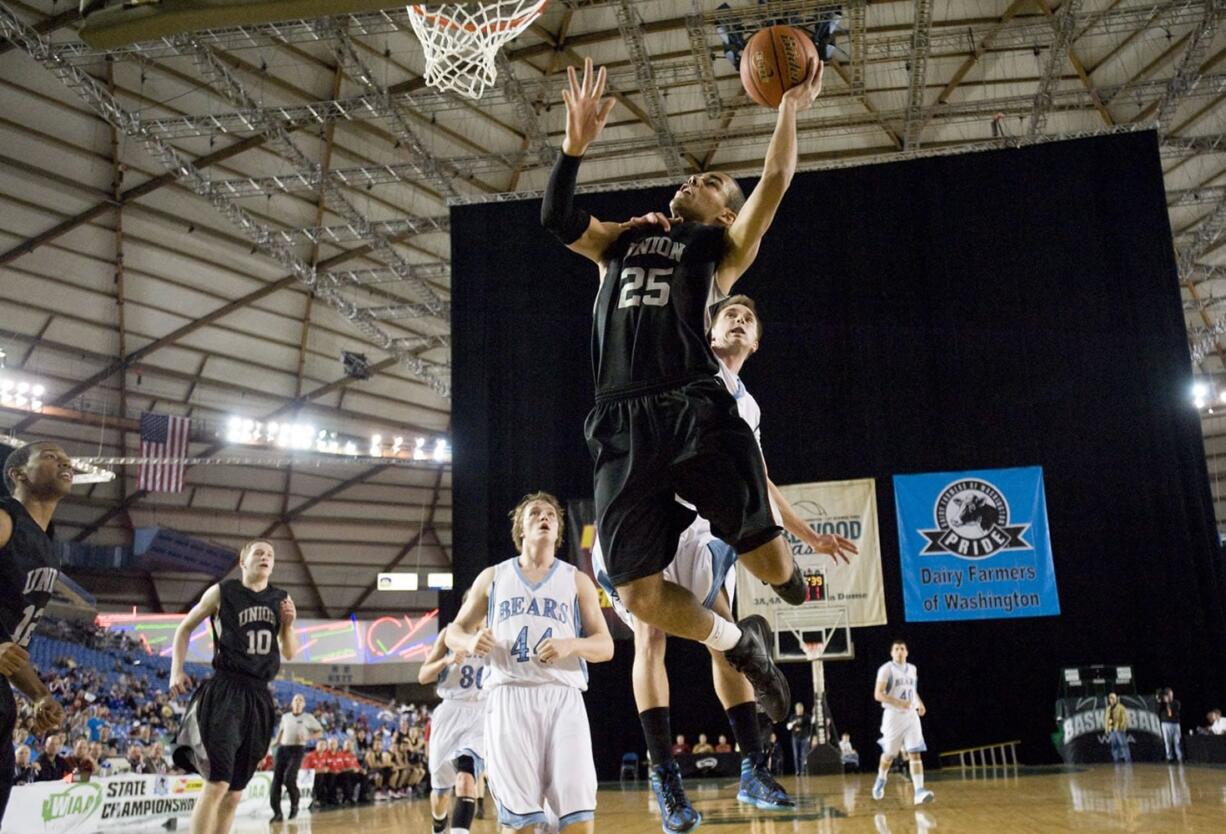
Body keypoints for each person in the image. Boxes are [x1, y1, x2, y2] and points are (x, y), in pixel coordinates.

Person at [541, 55, 826, 732]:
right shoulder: (618, 242)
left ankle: (782, 585)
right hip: (619, 418)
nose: (691, 179)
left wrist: (788, 107)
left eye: (709, 182)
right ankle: (740, 644)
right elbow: (556, 217)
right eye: (692, 175)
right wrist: (573, 146)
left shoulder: (719, 248)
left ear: (723, 208)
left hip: (694, 408)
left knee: (777, 570)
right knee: (637, 596)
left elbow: (778, 179)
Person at [590, 293, 856, 828]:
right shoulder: (687, 360)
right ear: (709, 333)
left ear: (756, 342)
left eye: (748, 318)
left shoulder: (749, 406)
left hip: (698, 526)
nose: (737, 319)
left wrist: (808, 535)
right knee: (649, 636)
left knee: (727, 628)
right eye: (728, 314)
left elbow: (761, 480)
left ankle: (755, 768)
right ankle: (665, 779)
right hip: (644, 512)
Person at [446, 492, 614, 832]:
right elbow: (454, 632)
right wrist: (469, 640)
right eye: (535, 513)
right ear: (520, 528)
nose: (545, 517)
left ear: (558, 531)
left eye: (551, 514)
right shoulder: (493, 577)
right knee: (522, 822)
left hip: (562, 699)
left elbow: (605, 645)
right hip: (509, 698)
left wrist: (572, 644)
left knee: (578, 817)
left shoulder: (576, 580)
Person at [170, 540, 298, 834]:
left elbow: (289, 652)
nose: (265, 557)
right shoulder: (222, 592)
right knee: (217, 783)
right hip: (226, 690)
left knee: (236, 792)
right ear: (243, 560)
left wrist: (288, 626)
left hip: (259, 696)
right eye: (259, 553)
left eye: (270, 554)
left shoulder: (281, 599)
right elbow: (184, 627)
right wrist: (176, 670)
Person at [1, 442, 72, 822]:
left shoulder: (48, 546)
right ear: (18, 474)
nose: (64, 461)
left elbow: (12, 646)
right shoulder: (5, 518)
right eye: (48, 455)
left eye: (66, 458)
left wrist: (40, 695)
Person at [419, 634, 489, 834]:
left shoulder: (496, 632)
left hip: (481, 713)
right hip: (450, 712)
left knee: (466, 779)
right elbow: (423, 676)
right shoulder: (449, 636)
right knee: (441, 792)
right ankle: (438, 822)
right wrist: (447, 660)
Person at [872, 640, 934, 805]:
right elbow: (878, 694)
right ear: (892, 653)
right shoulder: (886, 669)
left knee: (915, 752)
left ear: (906, 652)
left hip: (911, 715)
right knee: (889, 755)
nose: (899, 651)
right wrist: (898, 703)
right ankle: (881, 777)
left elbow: (912, 691)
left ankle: (919, 791)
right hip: (893, 715)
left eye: (902, 649)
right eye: (896, 649)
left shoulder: (912, 669)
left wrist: (919, 702)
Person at [270, 693, 323, 821]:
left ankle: (295, 805)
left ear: (304, 704)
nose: (298, 702)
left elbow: (319, 732)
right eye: (295, 700)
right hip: (282, 749)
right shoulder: (285, 717)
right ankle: (277, 813)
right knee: (276, 782)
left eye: (300, 700)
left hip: (297, 749)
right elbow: (280, 735)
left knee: (289, 778)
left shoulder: (308, 717)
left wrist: (308, 737)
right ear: (292, 703)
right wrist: (271, 744)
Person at [1157, 688, 1182, 763]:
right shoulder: (1162, 704)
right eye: (1169, 695)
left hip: (1175, 724)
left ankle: (1179, 757)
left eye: (1171, 695)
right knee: (1167, 741)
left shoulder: (1176, 702)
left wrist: (1168, 703)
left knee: (1177, 741)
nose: (1171, 696)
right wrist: (1160, 702)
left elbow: (1173, 712)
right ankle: (1169, 757)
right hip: (1165, 724)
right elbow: (1158, 711)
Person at [787, 702, 813, 776]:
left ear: (802, 709)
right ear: (796, 709)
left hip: (804, 737)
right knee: (796, 755)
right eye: (798, 709)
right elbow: (788, 727)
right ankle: (797, 771)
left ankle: (803, 771)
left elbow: (812, 724)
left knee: (803, 755)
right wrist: (793, 723)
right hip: (795, 738)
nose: (799, 710)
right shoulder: (793, 717)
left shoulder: (806, 716)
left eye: (800, 709)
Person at [1104, 692, 1130, 763]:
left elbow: (1125, 718)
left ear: (1116, 699)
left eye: (1113, 698)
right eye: (1110, 699)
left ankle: (1127, 759)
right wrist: (1107, 729)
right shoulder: (1108, 708)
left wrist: (1122, 727)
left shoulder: (1121, 707)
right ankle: (1116, 759)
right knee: (1114, 746)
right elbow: (1106, 719)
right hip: (1112, 729)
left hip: (1119, 729)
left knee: (1123, 745)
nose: (1111, 700)